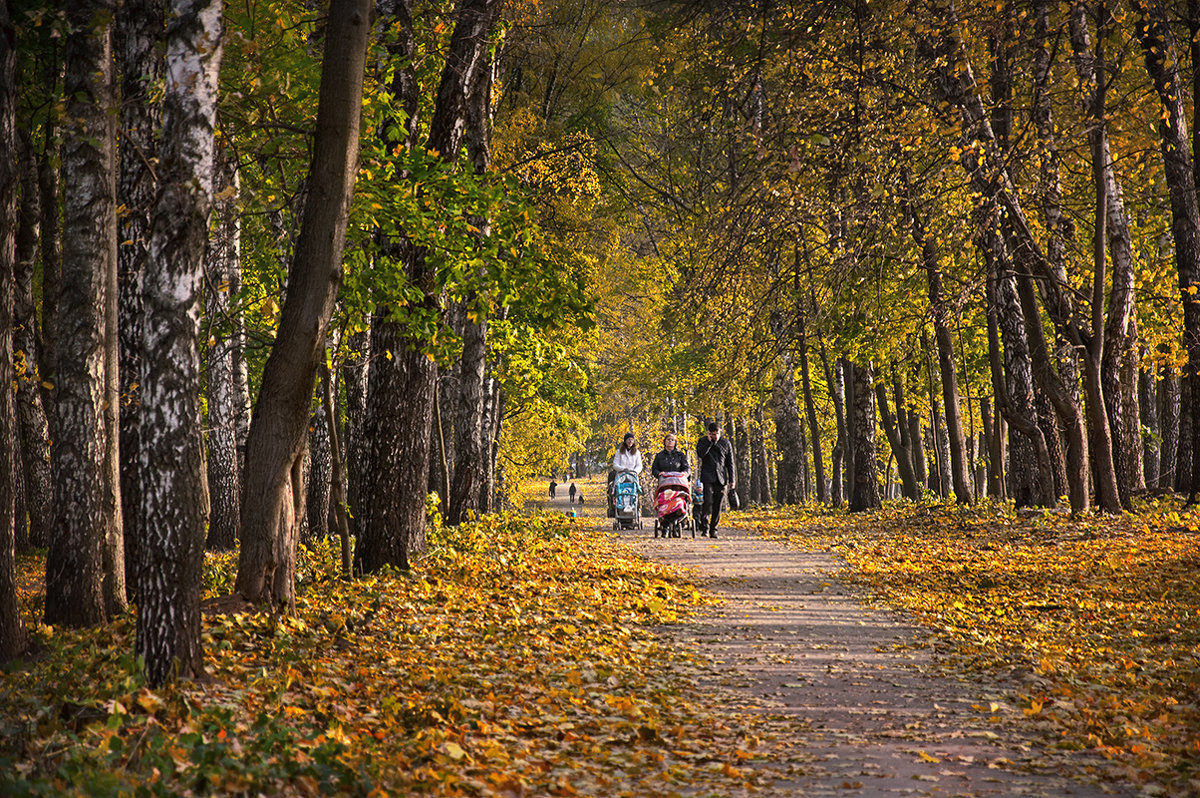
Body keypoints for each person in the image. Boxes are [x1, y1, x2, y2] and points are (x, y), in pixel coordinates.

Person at [696, 421, 736, 538]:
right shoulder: (703, 441)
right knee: (708, 501)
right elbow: (701, 454)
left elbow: (730, 463)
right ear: (708, 433)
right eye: (712, 434)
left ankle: (714, 529)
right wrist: (709, 442)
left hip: (721, 477)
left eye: (716, 433)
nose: (715, 436)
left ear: (720, 432)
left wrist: (732, 480)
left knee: (718, 504)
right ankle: (705, 527)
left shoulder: (726, 443)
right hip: (708, 475)